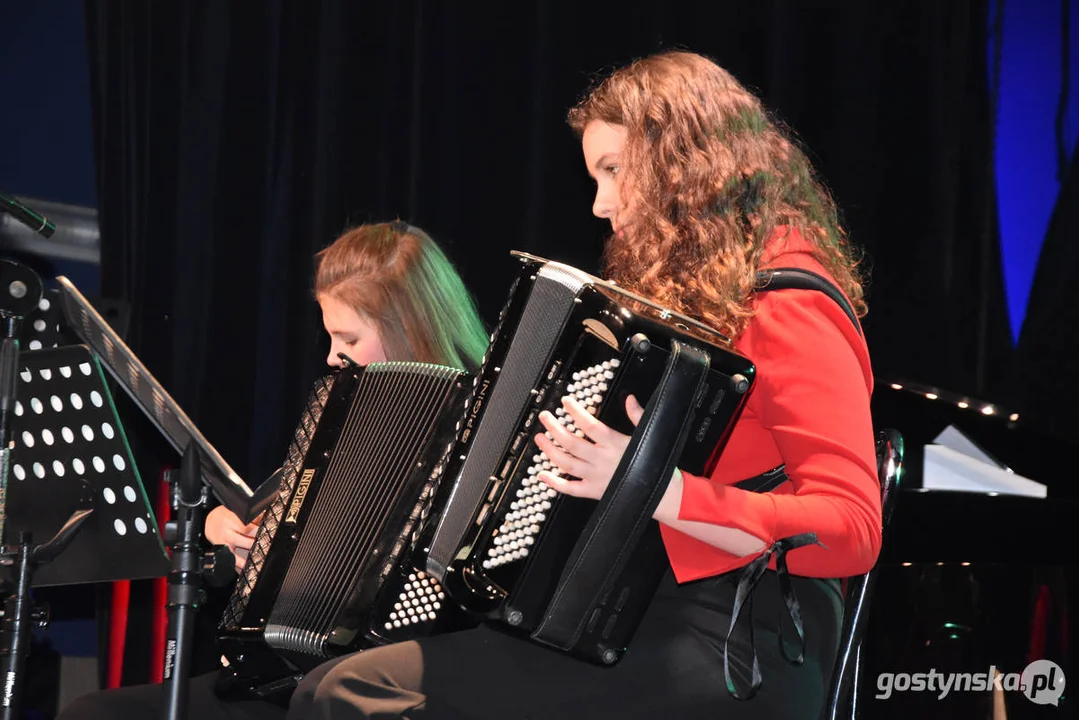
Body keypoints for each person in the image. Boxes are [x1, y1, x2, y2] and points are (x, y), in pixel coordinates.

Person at [287, 50, 882, 720]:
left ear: (684, 164)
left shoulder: (790, 302)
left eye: (613, 172)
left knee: (353, 694)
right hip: (630, 618)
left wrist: (648, 484)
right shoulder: (696, 305)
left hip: (733, 640)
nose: (600, 205)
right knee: (325, 685)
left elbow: (850, 529)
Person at [56, 221, 490, 720]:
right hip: (282, 674)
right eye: (329, 335)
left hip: (386, 680)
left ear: (407, 324)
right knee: (96, 713)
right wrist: (229, 529)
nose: (331, 355)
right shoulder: (343, 419)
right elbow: (285, 524)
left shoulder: (482, 429)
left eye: (347, 336)